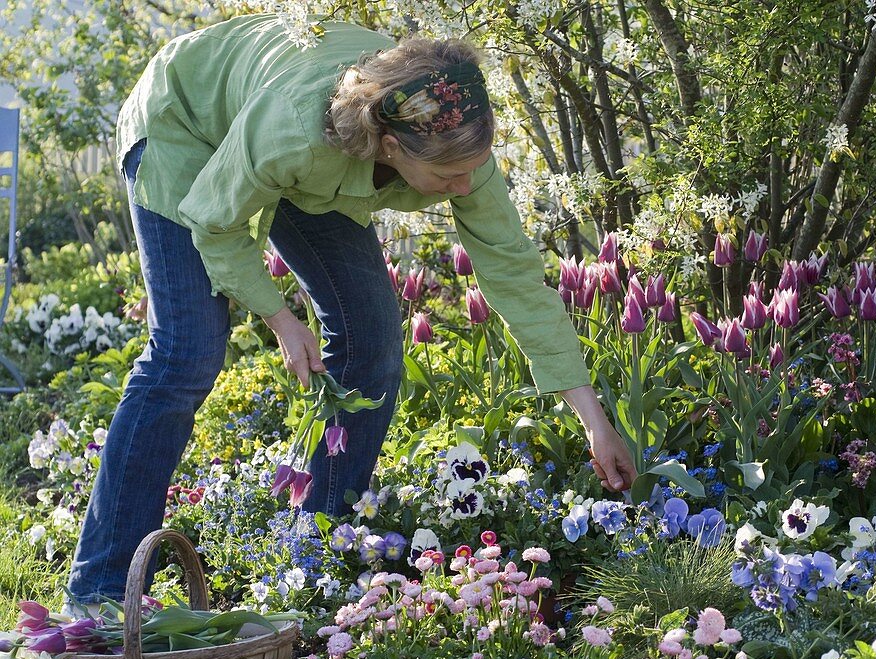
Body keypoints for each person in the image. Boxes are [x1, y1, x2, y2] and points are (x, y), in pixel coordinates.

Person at [64, 13, 638, 608]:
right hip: (185, 120)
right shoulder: (294, 130)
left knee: (371, 337)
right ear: (392, 146)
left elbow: (515, 276)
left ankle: (314, 561)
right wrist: (279, 318)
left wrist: (594, 419)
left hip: (309, 151)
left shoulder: (456, 140)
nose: (465, 188)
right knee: (188, 350)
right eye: (447, 176)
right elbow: (215, 220)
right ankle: (99, 592)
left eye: (471, 170)